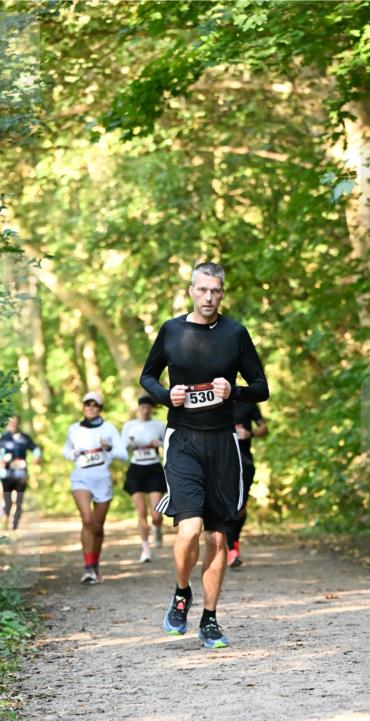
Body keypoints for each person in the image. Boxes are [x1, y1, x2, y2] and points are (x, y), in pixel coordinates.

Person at [140, 261, 269, 649]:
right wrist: (167, 396)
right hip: (183, 440)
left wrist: (235, 391)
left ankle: (210, 619)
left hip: (223, 444)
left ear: (222, 293)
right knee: (190, 529)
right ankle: (182, 593)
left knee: (216, 536)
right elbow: (148, 376)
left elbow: (261, 387)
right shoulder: (172, 330)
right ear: (191, 291)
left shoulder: (235, 333)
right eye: (202, 290)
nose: (209, 297)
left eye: (215, 291)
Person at [63, 390, 128, 584]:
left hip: (102, 479)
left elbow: (123, 454)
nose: (90, 408)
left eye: (95, 405)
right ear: (83, 407)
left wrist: (109, 447)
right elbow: (66, 449)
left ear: (100, 408)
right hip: (81, 478)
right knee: (87, 520)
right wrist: (72, 454)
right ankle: (88, 567)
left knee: (98, 527)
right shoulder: (74, 429)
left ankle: (95, 565)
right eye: (87, 404)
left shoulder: (109, 429)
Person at [121, 395, 167, 563]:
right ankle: (145, 548)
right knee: (141, 512)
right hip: (136, 469)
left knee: (156, 513)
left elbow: (170, 445)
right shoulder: (129, 426)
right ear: (138, 408)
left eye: (148, 407)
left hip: (154, 468)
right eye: (143, 407)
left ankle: (157, 528)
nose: (145, 410)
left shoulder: (159, 425)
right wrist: (129, 443)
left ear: (152, 409)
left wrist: (159, 444)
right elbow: (122, 447)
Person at [227, 400, 268, 568]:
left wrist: (249, 433)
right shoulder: (215, 401)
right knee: (228, 506)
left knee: (241, 508)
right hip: (222, 462)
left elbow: (264, 429)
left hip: (244, 462)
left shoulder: (248, 403)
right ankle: (231, 550)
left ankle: (234, 541)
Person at [0, 416, 41, 530]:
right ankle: (5, 520)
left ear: (18, 423)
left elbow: (36, 449)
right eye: (10, 422)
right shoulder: (3, 438)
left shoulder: (25, 438)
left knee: (19, 502)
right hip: (7, 475)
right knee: (8, 502)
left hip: (21, 475)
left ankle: (15, 527)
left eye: (15, 422)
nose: (13, 424)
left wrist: (37, 457)